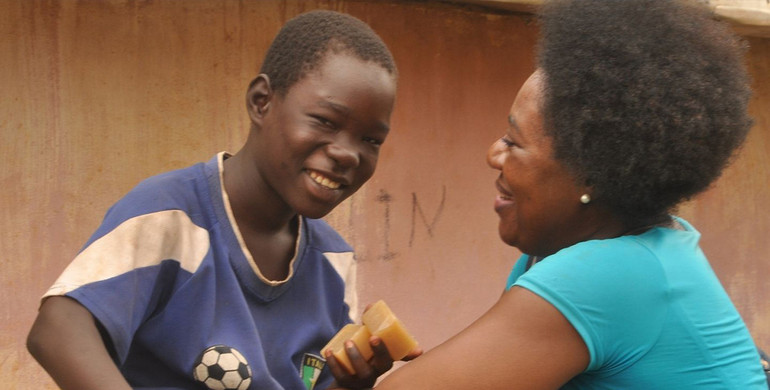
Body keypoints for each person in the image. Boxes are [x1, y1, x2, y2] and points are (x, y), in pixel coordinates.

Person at [326, 0, 767, 388]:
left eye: (514, 143)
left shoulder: (606, 275)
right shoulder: (621, 251)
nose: (493, 154)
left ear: (592, 175)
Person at [26, 10, 416, 390]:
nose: (348, 154)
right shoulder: (173, 214)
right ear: (262, 101)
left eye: (371, 140)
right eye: (326, 121)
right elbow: (58, 328)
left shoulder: (334, 261)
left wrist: (351, 385)